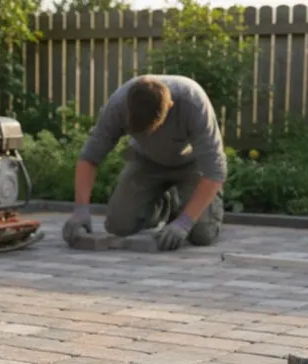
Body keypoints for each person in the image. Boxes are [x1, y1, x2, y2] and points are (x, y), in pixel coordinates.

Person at [62, 74, 226, 251]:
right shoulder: (119, 104)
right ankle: (166, 204)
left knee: (202, 234)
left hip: (191, 165)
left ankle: (187, 209)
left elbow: (215, 172)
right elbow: (90, 157)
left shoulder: (193, 103)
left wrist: (184, 222)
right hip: (146, 161)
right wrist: (80, 209)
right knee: (119, 226)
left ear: (169, 106)